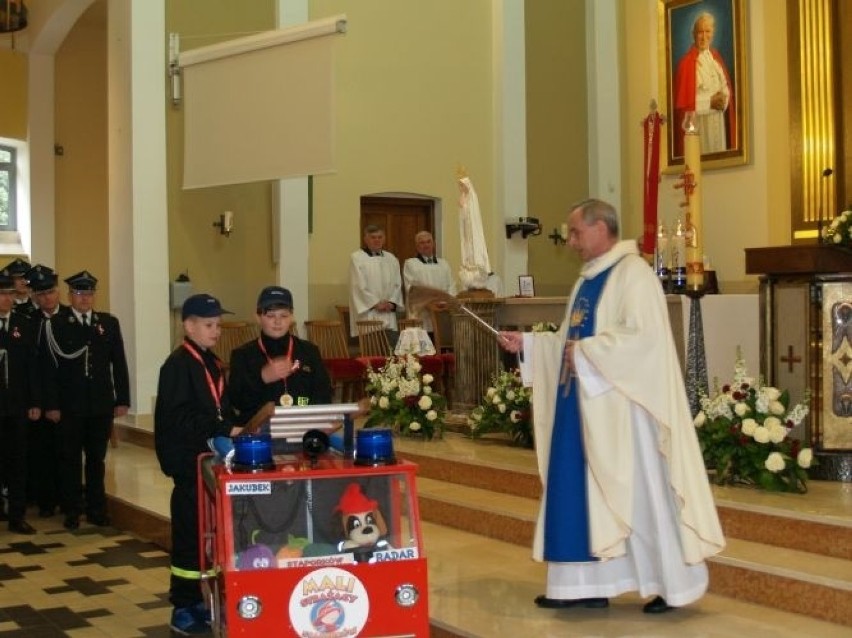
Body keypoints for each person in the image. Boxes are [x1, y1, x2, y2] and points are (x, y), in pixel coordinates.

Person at [499, 198, 724, 613]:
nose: (570, 242)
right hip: (583, 409)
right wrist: (531, 343)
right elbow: (570, 340)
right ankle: (585, 584)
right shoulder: (588, 279)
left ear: (601, 228)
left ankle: (671, 585)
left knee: (644, 498)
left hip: (629, 415)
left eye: (575, 233)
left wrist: (586, 354)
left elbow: (645, 342)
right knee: (584, 497)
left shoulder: (634, 276)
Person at [155, 293, 244, 636]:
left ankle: (203, 599)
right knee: (190, 537)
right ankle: (183, 605)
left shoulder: (209, 360)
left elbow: (219, 408)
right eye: (209, 325)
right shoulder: (178, 365)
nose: (217, 331)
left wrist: (238, 423)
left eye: (218, 325)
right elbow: (180, 418)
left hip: (209, 464)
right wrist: (222, 429)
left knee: (208, 537)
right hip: (189, 465)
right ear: (188, 325)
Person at [42, 270, 131, 531]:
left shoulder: (108, 323)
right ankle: (72, 510)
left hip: (100, 405)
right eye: (80, 294)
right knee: (69, 460)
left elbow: (119, 363)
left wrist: (122, 398)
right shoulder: (57, 324)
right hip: (69, 407)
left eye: (89, 294)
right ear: (70, 296)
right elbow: (49, 369)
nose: (85, 299)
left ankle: (96, 509)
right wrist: (52, 405)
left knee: (96, 460)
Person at [229, 285, 333, 430]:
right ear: (258, 317)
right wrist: (261, 378)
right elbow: (236, 402)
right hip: (260, 431)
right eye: (270, 316)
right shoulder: (243, 355)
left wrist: (307, 417)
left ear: (291, 317)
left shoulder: (309, 351)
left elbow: (323, 395)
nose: (278, 322)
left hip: (303, 427)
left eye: (284, 316)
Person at [0, 270, 41, 534]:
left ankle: (17, 514)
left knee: (17, 461)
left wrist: (35, 402)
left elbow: (32, 368)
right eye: (2, 295)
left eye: (10, 295)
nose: (6, 300)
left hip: (16, 405)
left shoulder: (22, 324)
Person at [25, 264, 67, 519]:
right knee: (44, 453)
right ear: (34, 297)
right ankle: (47, 500)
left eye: (50, 292)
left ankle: (69, 497)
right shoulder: (30, 322)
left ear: (58, 292)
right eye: (40, 295)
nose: (46, 298)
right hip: (41, 397)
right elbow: (32, 366)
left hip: (69, 399)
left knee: (69, 452)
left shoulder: (69, 319)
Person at [673, 11, 735, 156]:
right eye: (700, 32)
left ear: (712, 33)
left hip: (718, 123)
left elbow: (726, 88)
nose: (704, 36)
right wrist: (709, 102)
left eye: (707, 31)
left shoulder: (716, 58)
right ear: (693, 34)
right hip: (700, 125)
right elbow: (684, 106)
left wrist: (723, 101)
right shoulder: (685, 64)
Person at [348, 224, 404, 345]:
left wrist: (392, 303)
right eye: (373, 237)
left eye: (380, 237)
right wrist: (375, 303)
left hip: (388, 314)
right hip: (369, 316)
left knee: (392, 353)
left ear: (384, 239)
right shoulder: (357, 258)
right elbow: (358, 285)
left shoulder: (391, 258)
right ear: (366, 239)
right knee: (374, 354)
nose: (377, 240)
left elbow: (397, 284)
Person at [402, 231, 457, 333]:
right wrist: (429, 303)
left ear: (433, 244)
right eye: (422, 243)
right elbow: (412, 289)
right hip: (422, 315)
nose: (426, 245)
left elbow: (451, 285)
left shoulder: (444, 264)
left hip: (442, 313)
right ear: (417, 246)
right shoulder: (411, 264)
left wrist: (446, 302)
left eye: (428, 242)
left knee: (442, 345)